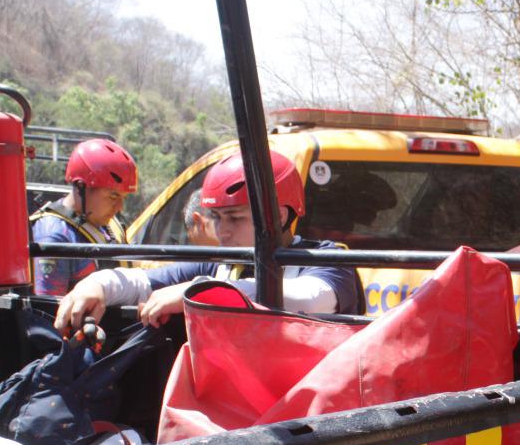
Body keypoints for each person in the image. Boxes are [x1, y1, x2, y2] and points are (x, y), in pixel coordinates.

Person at [54, 150, 363, 335]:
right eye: (216, 217)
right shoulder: (222, 265)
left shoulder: (328, 262)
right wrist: (98, 284)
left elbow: (309, 299)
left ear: (280, 216)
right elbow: (144, 282)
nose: (222, 231)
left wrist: (198, 292)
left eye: (234, 218)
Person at [31, 138, 139, 296]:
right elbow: (48, 312)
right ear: (81, 186)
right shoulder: (54, 235)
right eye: (113, 196)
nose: (119, 207)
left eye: (124, 197)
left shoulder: (109, 225)